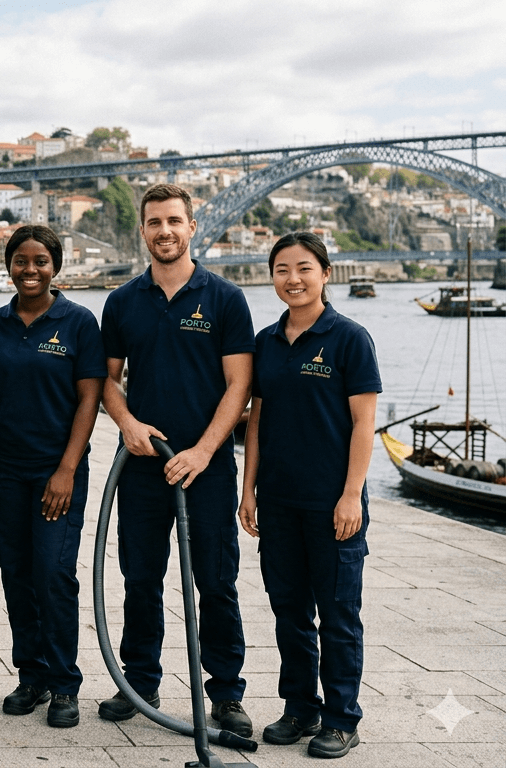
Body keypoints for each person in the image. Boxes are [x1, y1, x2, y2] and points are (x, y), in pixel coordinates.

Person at [98, 183, 255, 737]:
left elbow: (240, 387)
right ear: (142, 231)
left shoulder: (225, 299)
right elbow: (107, 384)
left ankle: (228, 696)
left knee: (215, 582)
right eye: (154, 222)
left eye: (174, 221)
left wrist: (204, 450)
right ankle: (139, 684)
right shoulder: (121, 303)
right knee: (140, 579)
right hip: (141, 464)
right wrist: (128, 424)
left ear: (192, 227)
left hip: (206, 467)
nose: (164, 231)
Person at [239, 232, 379, 759]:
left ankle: (342, 718)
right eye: (281, 270)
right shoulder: (266, 341)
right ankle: (300, 708)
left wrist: (351, 495)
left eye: (303, 268)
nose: (292, 279)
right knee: (289, 611)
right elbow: (257, 422)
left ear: (325, 273)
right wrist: (248, 489)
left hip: (331, 503)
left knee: (339, 615)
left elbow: (364, 423)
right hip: (278, 500)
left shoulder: (349, 338)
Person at [0, 225, 104, 727]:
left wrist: (67, 470)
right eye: (20, 261)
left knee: (53, 575)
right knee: (16, 575)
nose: (30, 270)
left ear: (57, 266)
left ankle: (64, 683)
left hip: (58, 470)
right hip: (4, 472)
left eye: (40, 261)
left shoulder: (78, 322)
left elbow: (90, 398)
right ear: (8, 266)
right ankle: (30, 675)